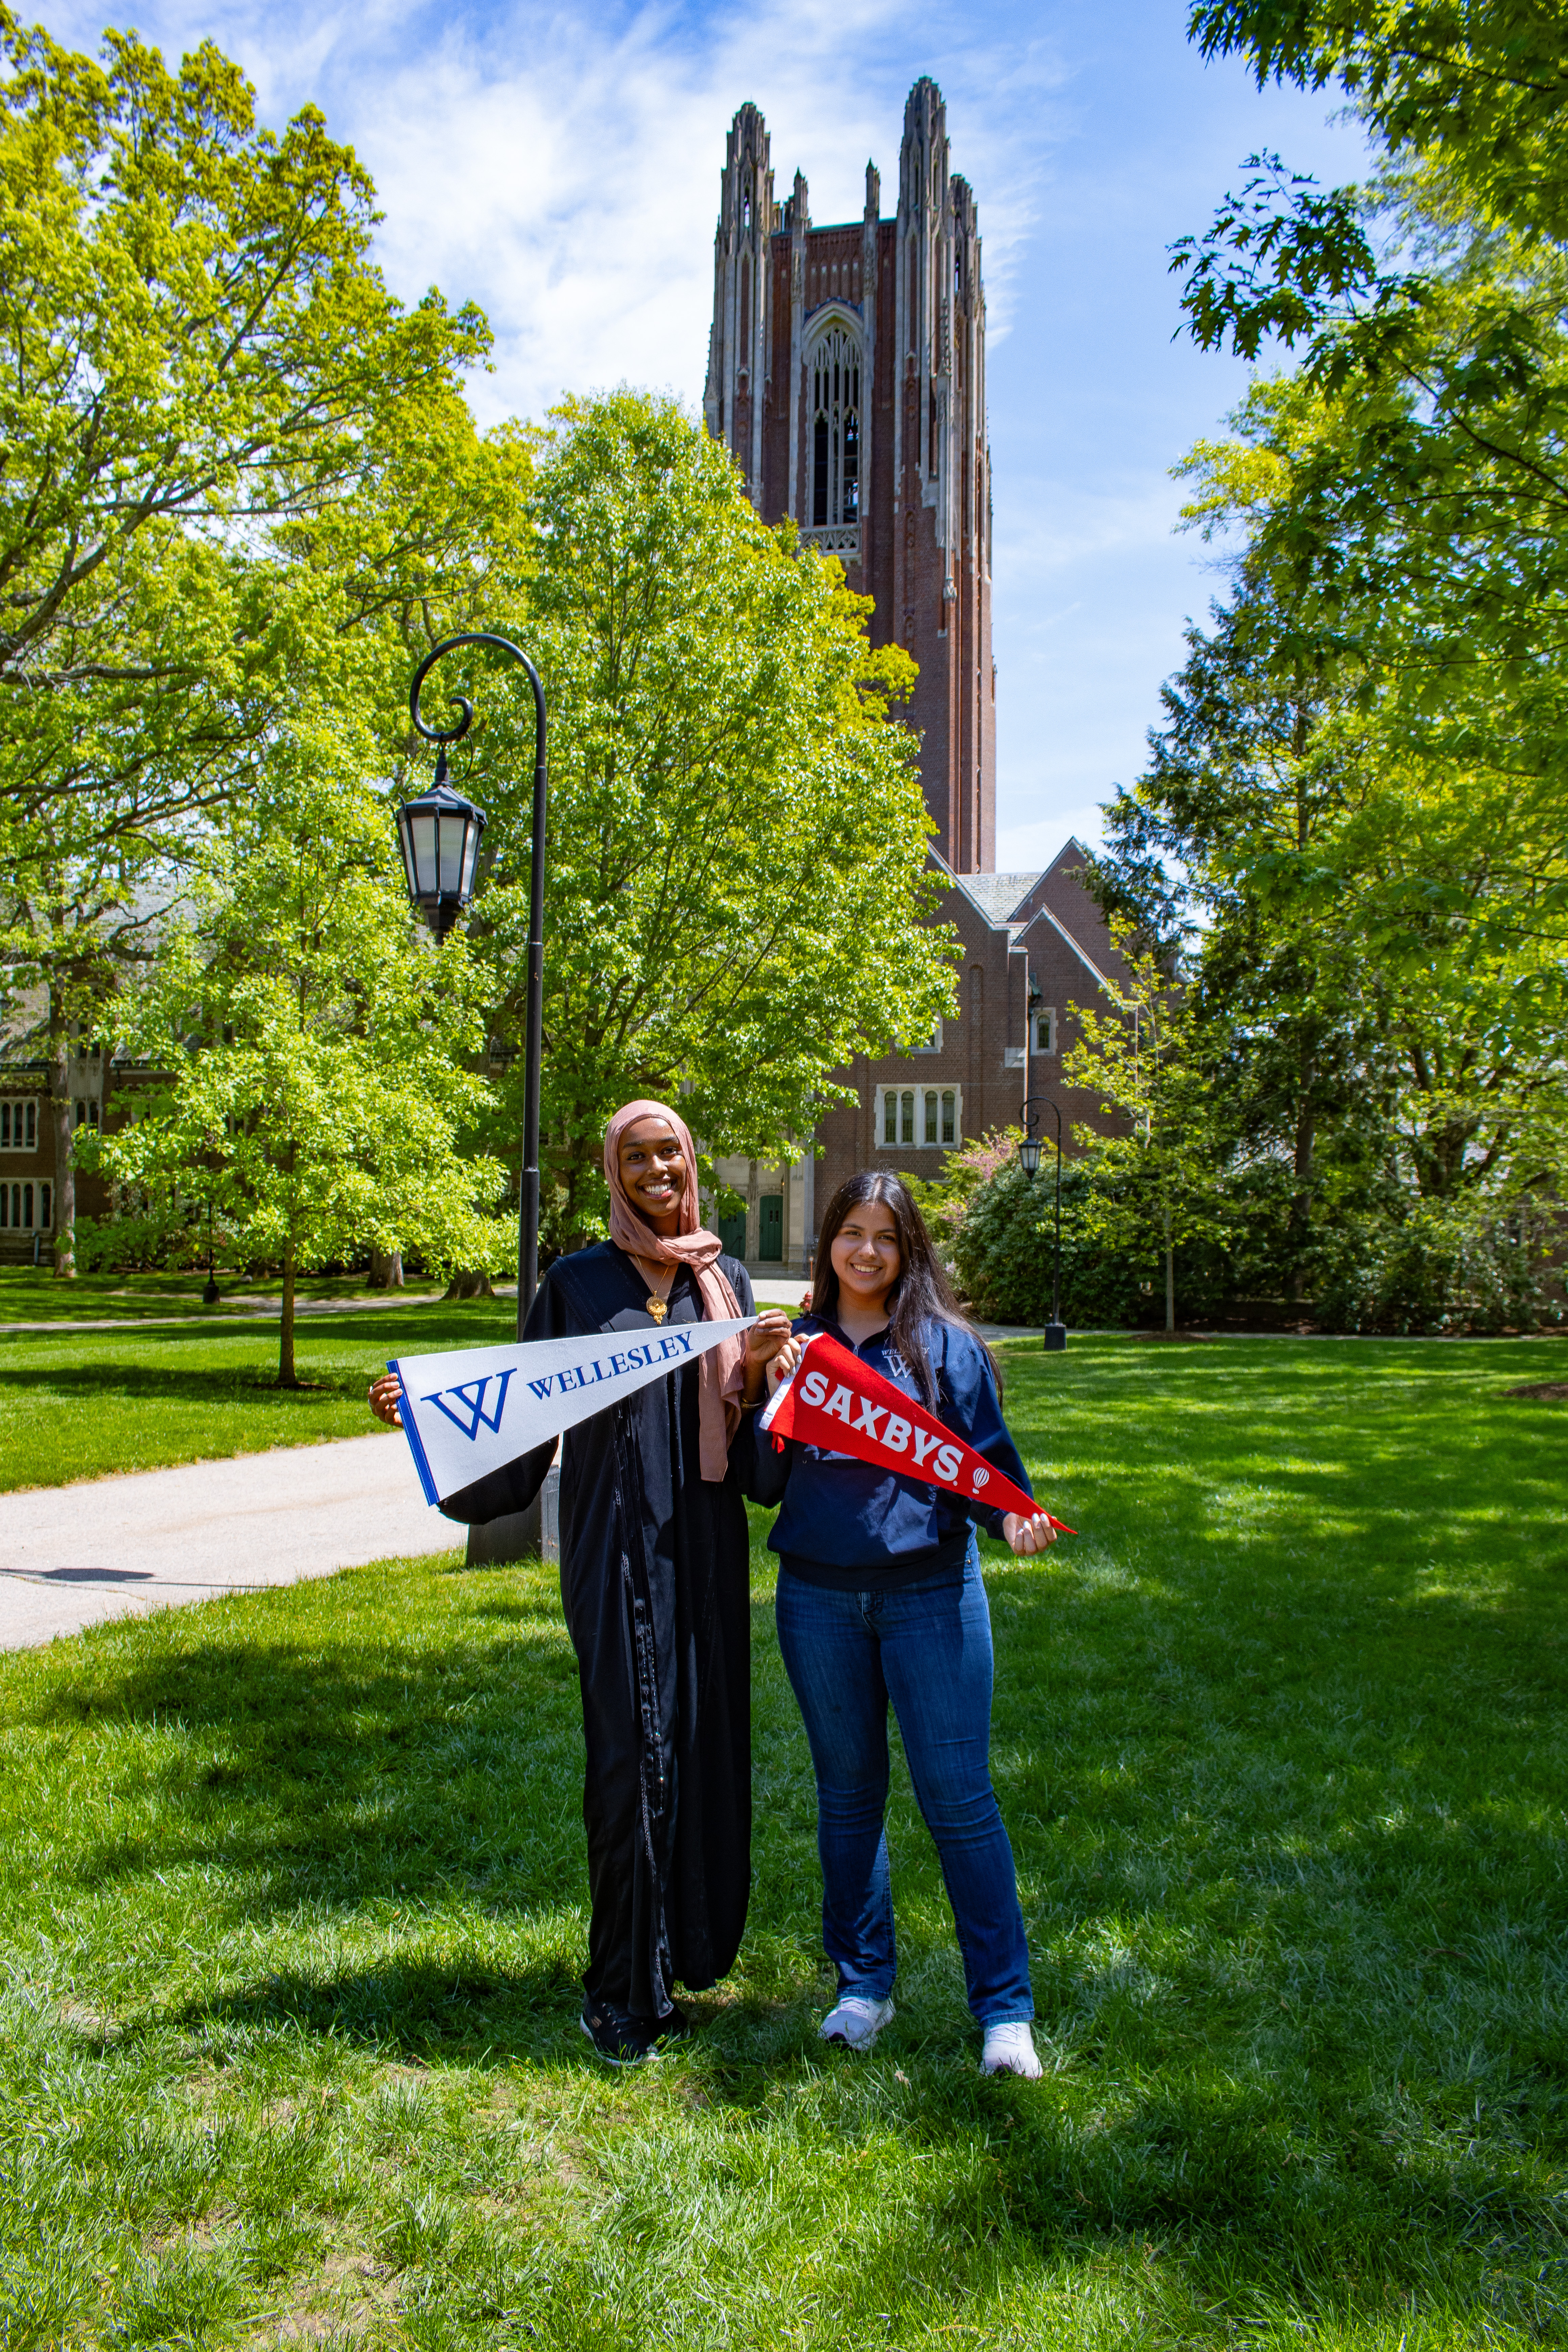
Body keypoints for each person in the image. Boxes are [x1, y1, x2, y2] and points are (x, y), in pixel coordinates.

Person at [370, 1101, 790, 2063]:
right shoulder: (576, 1281)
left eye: (670, 1152)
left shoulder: (722, 1276)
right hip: (613, 1549)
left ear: (693, 1161)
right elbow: (517, 1427)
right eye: (636, 1156)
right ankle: (620, 1992)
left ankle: (688, 1953)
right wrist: (426, 1417)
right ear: (614, 1171)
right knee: (627, 1755)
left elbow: (763, 1456)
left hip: (708, 1548)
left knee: (702, 1742)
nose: (656, 1168)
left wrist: (764, 1378)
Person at [754, 1170, 1056, 2080]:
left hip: (932, 1595)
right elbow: (761, 1480)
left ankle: (1004, 2011)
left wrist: (1013, 1517)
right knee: (848, 1799)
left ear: (910, 1248)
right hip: (816, 1599)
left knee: (960, 1802)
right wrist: (747, 1389)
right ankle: (862, 1989)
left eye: (888, 1236)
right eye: (852, 1232)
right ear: (830, 1242)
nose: (868, 1251)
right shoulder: (795, 1347)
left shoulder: (947, 1349)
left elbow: (991, 1468)